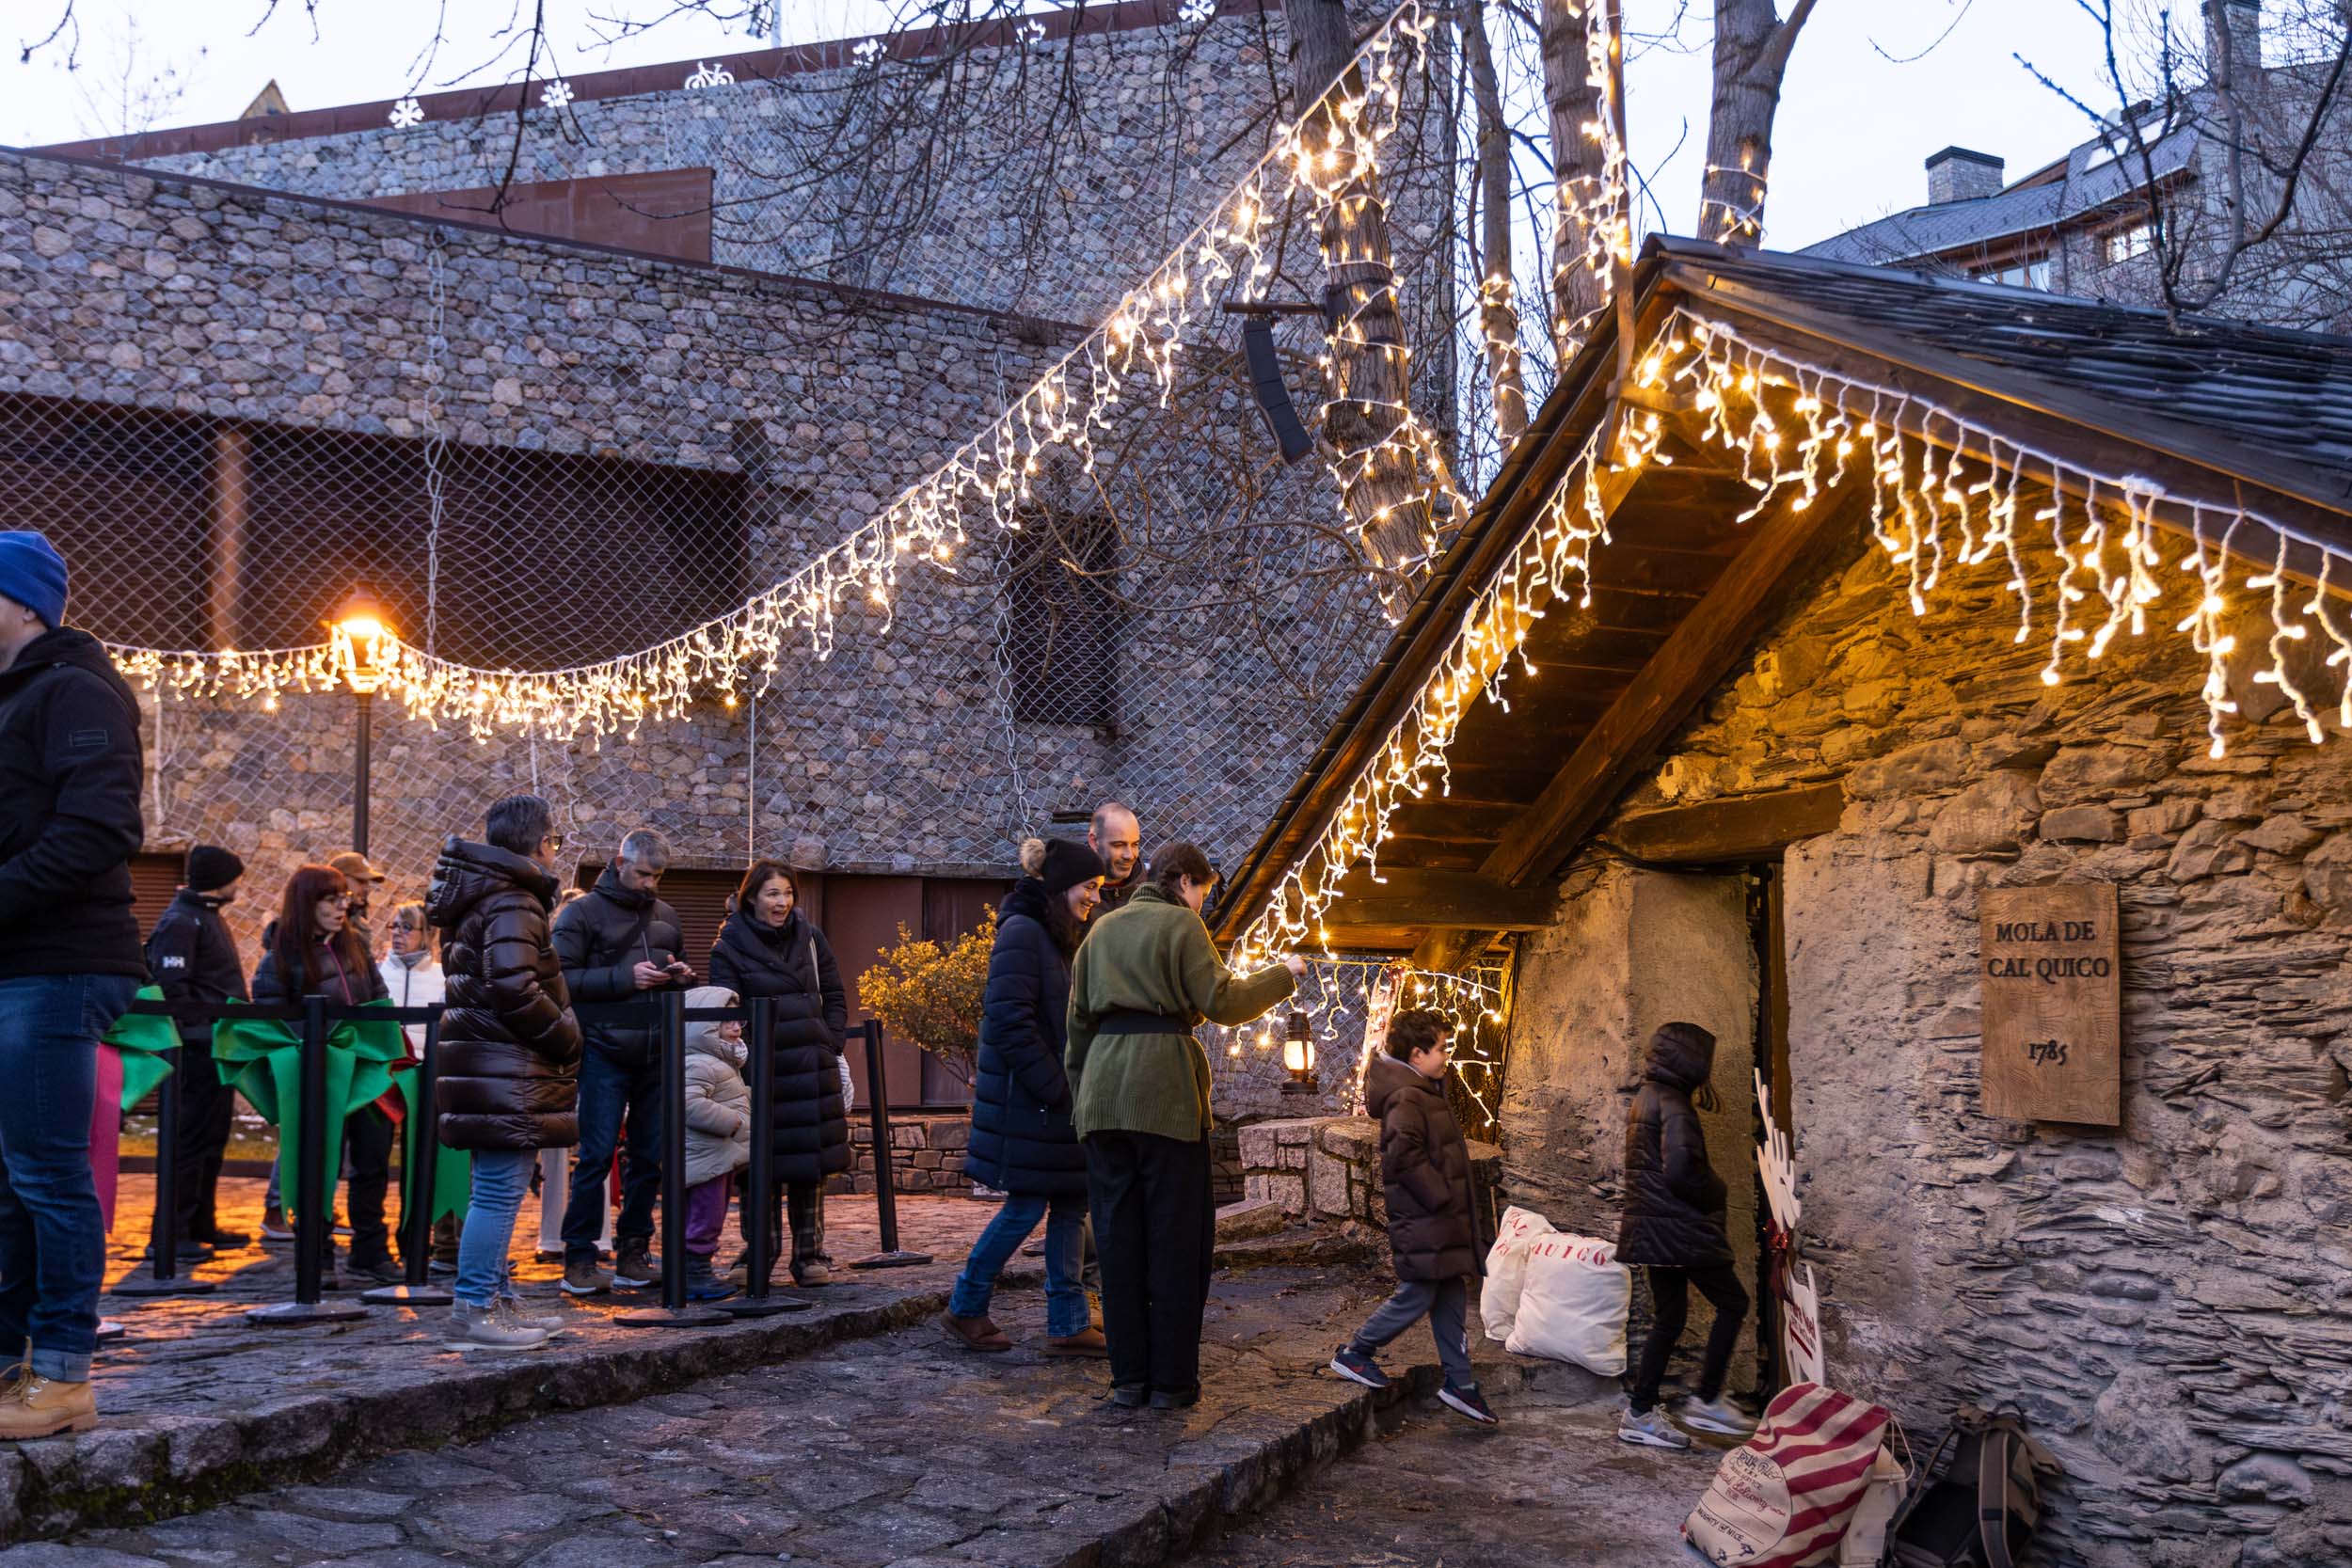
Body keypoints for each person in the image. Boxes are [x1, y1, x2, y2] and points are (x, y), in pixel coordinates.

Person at [1067, 841, 1302, 1409]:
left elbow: (1075, 1028)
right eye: (1204, 892)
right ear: (1184, 882)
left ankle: (1128, 1381)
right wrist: (1284, 974)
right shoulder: (1181, 926)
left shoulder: (1100, 932)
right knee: (1175, 1241)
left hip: (1102, 1099)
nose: (1203, 905)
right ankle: (1171, 1383)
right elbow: (1221, 1000)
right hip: (1164, 1097)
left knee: (1118, 1245)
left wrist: (1086, 1101)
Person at [0, 531, 147, 1440]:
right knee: (10, 1177)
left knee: (47, 1174)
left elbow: (100, 830)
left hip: (61, 963)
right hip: (19, 961)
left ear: (20, 602)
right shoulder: (16, 696)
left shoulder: (76, 689)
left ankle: (61, 1374)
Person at [942, 837, 1106, 1356]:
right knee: (1027, 1205)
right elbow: (1009, 1023)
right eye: (1089, 887)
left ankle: (1069, 1323)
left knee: (1070, 1205)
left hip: (1058, 1103)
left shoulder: (1060, 935)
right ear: (1061, 887)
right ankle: (965, 1305)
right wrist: (1057, 1087)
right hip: (1033, 1103)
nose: (1095, 898)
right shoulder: (1022, 933)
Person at [428, 796, 582, 1350]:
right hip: (508, 1065)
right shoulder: (513, 900)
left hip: (492, 1064)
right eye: (554, 839)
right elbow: (515, 987)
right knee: (498, 1190)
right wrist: (567, 1037)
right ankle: (476, 1307)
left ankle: (495, 1298)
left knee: (493, 1187)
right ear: (539, 842)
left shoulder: (486, 895)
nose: (554, 850)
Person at [1327, 1009, 1497, 1425]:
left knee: (1450, 1292)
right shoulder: (1407, 1097)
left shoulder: (1422, 1089)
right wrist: (1440, 1197)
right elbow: (1403, 1154)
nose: (1446, 1057)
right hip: (1428, 1217)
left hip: (1439, 1218)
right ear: (1418, 1054)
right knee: (1420, 1291)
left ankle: (1462, 1384)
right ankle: (1356, 1352)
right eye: (1441, 1049)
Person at [550, 829, 688, 1295]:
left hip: (656, 1051)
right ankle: (580, 1258)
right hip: (603, 1050)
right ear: (619, 861)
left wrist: (679, 978)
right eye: (643, 874)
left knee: (650, 1158)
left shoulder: (667, 915)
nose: (650, 884)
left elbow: (674, 968)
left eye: (658, 876)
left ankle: (634, 1253)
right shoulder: (581, 912)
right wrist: (623, 977)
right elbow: (560, 979)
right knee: (595, 1155)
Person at [251, 864, 399, 1283]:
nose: (342, 905)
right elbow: (270, 1019)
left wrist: (380, 1047)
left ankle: (370, 1251)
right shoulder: (280, 956)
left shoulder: (356, 947)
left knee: (371, 1164)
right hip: (319, 1078)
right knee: (319, 1166)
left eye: (343, 897)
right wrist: (318, 1051)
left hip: (366, 1073)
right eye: (330, 898)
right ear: (306, 903)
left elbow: (379, 997)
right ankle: (316, 1253)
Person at [1616, 1020, 1755, 1449]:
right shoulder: (1674, 1103)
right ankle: (1707, 1400)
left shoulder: (1647, 1097)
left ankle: (1639, 1413)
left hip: (1657, 1231)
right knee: (1734, 1303)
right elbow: (1680, 1172)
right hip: (1681, 1230)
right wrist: (1718, 1192)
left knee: (1669, 1319)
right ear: (1691, 1062)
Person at [709, 861, 849, 1289]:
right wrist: (744, 1056)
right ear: (752, 896)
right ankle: (759, 1252)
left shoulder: (810, 937)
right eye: (772, 893)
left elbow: (835, 991)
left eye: (787, 893)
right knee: (759, 1166)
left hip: (810, 1064)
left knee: (810, 1163)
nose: (782, 902)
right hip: (760, 1071)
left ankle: (809, 1255)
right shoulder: (729, 944)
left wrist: (831, 1039)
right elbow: (725, 1008)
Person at [144, 845, 252, 1256]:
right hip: (197, 1049)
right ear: (217, 880)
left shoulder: (206, 917)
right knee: (188, 1140)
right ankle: (172, 1234)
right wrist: (196, 1031)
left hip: (218, 1045)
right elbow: (173, 988)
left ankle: (201, 1223)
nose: (239, 884)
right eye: (234, 877)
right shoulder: (181, 921)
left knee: (213, 1137)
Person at [380, 899, 456, 1275]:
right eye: (393, 926)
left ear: (428, 934)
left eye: (406, 927)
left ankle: (434, 1243)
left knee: (427, 1160)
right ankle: (392, 1242)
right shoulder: (378, 975)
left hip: (427, 1077)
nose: (397, 933)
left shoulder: (442, 979)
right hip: (384, 1079)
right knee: (377, 1164)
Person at [678, 985, 749, 1304]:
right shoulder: (698, 1063)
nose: (736, 1027)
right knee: (704, 1214)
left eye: (738, 1021)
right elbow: (688, 1103)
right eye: (726, 1022)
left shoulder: (721, 1062)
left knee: (714, 1211)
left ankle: (698, 1268)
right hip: (705, 1156)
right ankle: (694, 1271)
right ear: (704, 1027)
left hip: (718, 1156)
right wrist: (731, 1120)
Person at [1088, 801, 1146, 915]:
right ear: (1094, 842)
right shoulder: (1072, 895)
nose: (1129, 855)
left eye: (1135, 844)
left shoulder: (1152, 894)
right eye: (1118, 845)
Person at [327, 851, 387, 957]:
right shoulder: (319, 926)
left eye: (367, 883)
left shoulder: (361, 926)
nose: (366, 888)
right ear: (339, 879)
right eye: (360, 881)